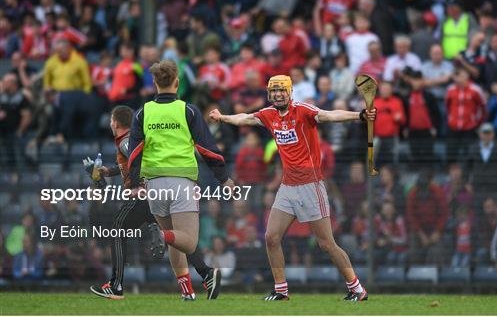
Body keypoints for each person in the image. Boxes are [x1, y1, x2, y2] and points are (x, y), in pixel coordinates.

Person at [208, 75, 376, 301]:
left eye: (281, 91)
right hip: (287, 187)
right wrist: (222, 117)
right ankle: (281, 290)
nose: (277, 95)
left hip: (310, 185)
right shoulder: (269, 115)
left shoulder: (303, 110)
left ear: (289, 92)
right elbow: (245, 118)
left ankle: (357, 289)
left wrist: (360, 115)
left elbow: (328, 115)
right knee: (271, 237)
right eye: (273, 91)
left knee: (326, 243)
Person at [89, 106, 221, 300]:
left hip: (145, 195)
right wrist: (108, 172)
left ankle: (116, 285)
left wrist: (137, 185)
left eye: (111, 121)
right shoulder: (130, 139)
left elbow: (139, 162)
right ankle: (205, 276)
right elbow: (127, 163)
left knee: (117, 229)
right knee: (177, 238)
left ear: (115, 123)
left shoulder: (125, 141)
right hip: (160, 192)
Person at [127, 60, 234, 301]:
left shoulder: (143, 112)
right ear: (177, 82)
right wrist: (224, 178)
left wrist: (134, 184)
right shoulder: (189, 111)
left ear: (154, 83)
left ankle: (187, 291)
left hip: (154, 183)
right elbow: (208, 149)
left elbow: (134, 152)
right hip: (181, 182)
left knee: (176, 238)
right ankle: (163, 238)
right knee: (188, 240)